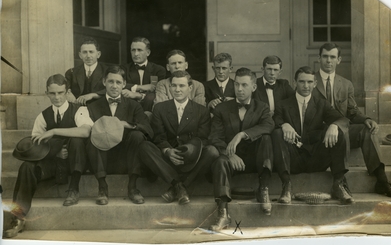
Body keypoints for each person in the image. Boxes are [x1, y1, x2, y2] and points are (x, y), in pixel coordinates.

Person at [3, 74, 91, 238]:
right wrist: (55, 153)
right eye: (52, 93)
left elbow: (86, 131)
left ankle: (74, 189)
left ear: (67, 92)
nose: (57, 97)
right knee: (27, 167)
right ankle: (18, 218)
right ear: (47, 93)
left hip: (76, 164)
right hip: (54, 165)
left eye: (60, 92)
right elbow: (34, 149)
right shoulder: (43, 116)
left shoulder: (79, 110)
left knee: (77, 141)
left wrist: (54, 131)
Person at [313, 43, 391, 198]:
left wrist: (366, 119)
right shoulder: (309, 81)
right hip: (319, 133)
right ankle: (340, 182)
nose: (328, 61)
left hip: (342, 131)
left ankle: (381, 179)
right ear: (319, 58)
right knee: (339, 131)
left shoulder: (345, 84)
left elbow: (352, 112)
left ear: (339, 60)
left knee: (367, 131)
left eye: (332, 57)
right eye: (325, 56)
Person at [272, 66, 353, 206]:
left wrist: (334, 126)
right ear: (294, 82)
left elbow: (343, 119)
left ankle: (338, 184)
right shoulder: (283, 105)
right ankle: (286, 186)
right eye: (302, 82)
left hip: (315, 158)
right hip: (293, 159)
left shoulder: (321, 104)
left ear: (315, 84)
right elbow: (274, 120)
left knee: (338, 131)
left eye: (309, 82)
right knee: (277, 133)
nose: (306, 86)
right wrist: (283, 125)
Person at [208, 68, 275, 231]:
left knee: (266, 138)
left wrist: (242, 135)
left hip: (254, 159)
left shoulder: (262, 107)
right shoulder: (221, 109)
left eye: (244, 85)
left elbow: (268, 125)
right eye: (236, 84)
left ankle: (264, 188)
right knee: (219, 161)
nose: (239, 89)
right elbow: (214, 137)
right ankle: (223, 212)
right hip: (231, 161)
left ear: (253, 87)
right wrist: (230, 155)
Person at [139, 71, 219, 204]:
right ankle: (179, 186)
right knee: (144, 147)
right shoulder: (160, 108)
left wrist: (189, 149)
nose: (177, 90)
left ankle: (176, 188)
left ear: (190, 88)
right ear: (169, 87)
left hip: (192, 158)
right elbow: (158, 137)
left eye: (181, 86)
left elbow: (203, 138)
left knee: (212, 151)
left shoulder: (201, 111)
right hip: (167, 160)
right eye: (174, 86)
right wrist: (167, 151)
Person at [85, 66, 153, 205]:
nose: (114, 86)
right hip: (103, 158)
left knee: (137, 136)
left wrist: (127, 124)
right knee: (92, 135)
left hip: (126, 158)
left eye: (118, 82)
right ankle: (102, 187)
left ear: (123, 84)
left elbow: (148, 129)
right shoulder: (93, 106)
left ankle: (132, 187)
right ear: (104, 82)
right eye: (110, 82)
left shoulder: (134, 106)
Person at [121, 37, 166, 111]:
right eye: (133, 50)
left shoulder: (158, 70)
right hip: (130, 108)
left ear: (148, 52)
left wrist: (139, 95)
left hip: (150, 109)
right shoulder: (124, 69)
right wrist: (139, 87)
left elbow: (159, 91)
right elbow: (120, 85)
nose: (135, 54)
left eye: (139, 50)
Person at [65, 37, 107, 105]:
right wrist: (68, 92)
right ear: (80, 55)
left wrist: (93, 95)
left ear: (98, 54)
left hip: (100, 109)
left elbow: (114, 89)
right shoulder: (71, 73)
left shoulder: (107, 71)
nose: (88, 56)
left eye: (91, 52)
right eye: (84, 52)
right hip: (78, 109)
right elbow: (64, 87)